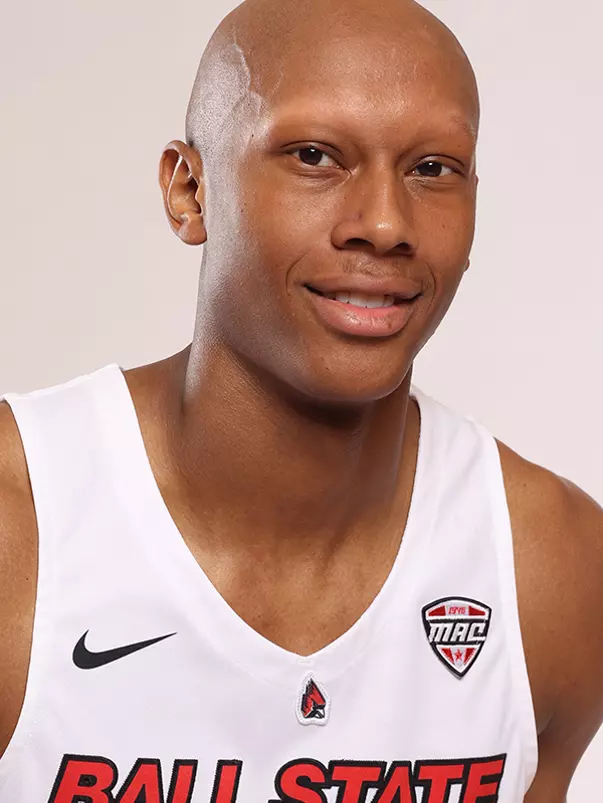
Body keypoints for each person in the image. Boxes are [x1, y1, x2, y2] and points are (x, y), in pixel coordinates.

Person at [0, 0, 602, 800]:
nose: (384, 224)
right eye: (315, 155)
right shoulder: (23, 528)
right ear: (190, 190)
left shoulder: (550, 568)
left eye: (432, 168)